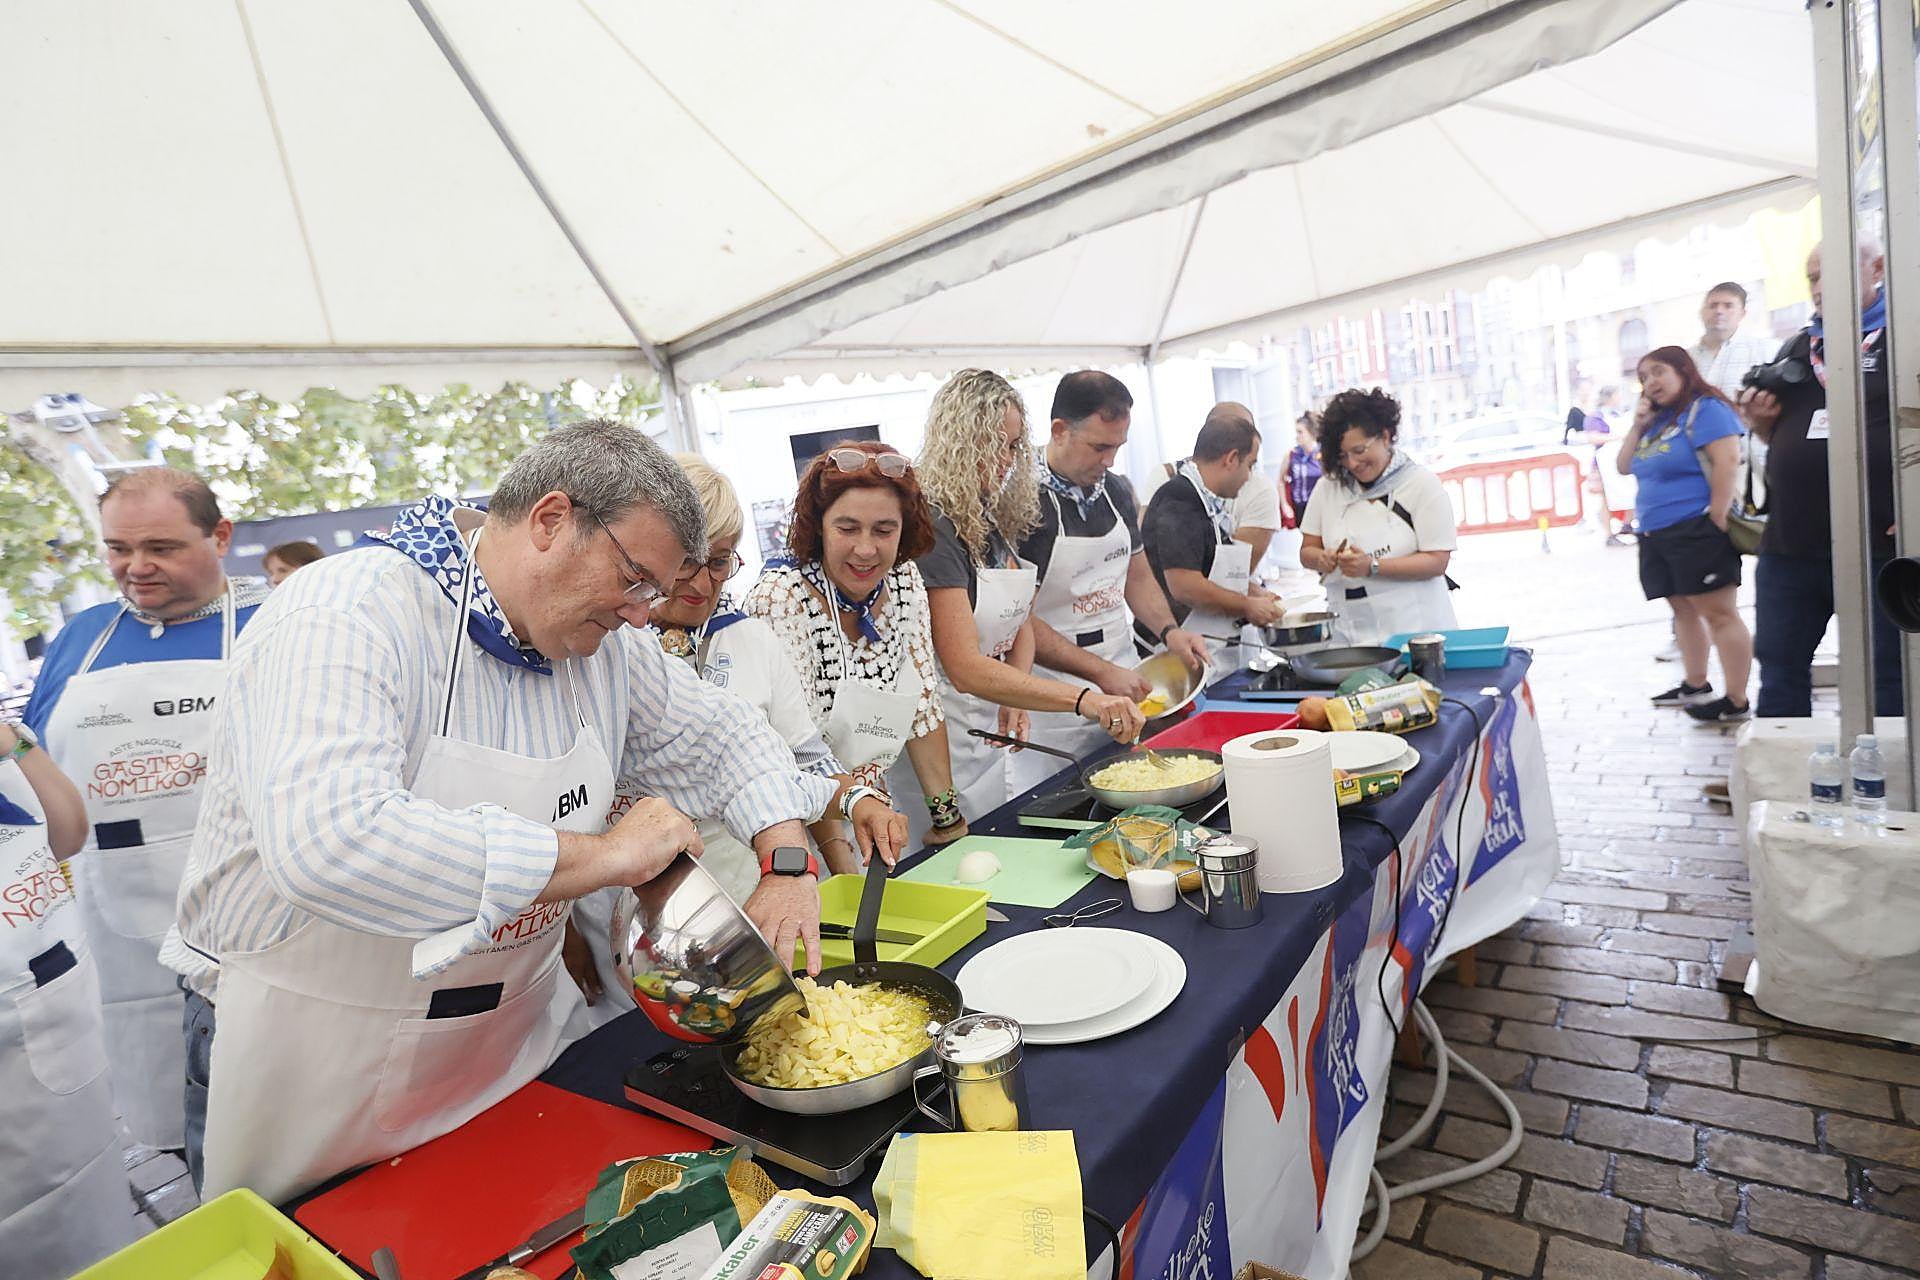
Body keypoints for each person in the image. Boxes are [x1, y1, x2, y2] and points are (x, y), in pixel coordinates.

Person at [166, 420, 839, 1203]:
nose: (641, 615)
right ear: (551, 520)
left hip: (505, 1044)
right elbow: (332, 843)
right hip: (306, 1057)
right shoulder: (345, 611)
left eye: (653, 592)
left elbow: (725, 733)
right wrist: (604, 857)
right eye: (634, 579)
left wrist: (786, 860)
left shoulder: (607, 652)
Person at [568, 454, 907, 1029]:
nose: (702, 583)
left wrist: (850, 799)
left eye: (721, 562)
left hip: (755, 888)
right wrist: (563, 932)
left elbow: (795, 759)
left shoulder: (751, 641)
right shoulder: (597, 644)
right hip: (633, 911)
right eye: (688, 563)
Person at [21, 467, 269, 1156]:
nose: (136, 568)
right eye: (117, 549)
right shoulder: (80, 638)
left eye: (160, 546)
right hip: (118, 933)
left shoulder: (277, 623)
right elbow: (44, 780)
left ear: (220, 536)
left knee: (264, 1118)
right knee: (165, 1112)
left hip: (248, 919)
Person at [905, 370, 1145, 834]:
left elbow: (1020, 618)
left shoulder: (985, 518)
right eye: (997, 445)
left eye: (1015, 446)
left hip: (993, 725)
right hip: (950, 732)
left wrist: (1014, 682)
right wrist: (1086, 698)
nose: (1007, 460)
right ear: (961, 441)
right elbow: (964, 667)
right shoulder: (933, 527)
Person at [745, 442, 971, 848]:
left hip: (873, 815)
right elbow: (797, 750)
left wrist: (948, 819)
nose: (866, 549)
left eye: (884, 530)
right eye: (847, 528)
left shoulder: (904, 581)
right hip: (797, 829)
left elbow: (921, 706)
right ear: (818, 526)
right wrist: (842, 861)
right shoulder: (781, 599)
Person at [1009, 373, 1210, 794]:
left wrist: (1169, 632)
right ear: (1060, 431)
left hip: (1123, 671)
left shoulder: (1115, 490)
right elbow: (1017, 622)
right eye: (1100, 446)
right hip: (1055, 699)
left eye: (1118, 447)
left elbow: (1135, 575)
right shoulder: (1022, 501)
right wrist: (1101, 674)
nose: (1110, 460)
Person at [1739, 238, 1900, 717]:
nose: (1817, 287)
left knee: (1887, 673)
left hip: (1879, 545)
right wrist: (1761, 424)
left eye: (1827, 272)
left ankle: (1889, 783)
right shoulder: (1801, 346)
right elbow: (1782, 438)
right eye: (1811, 277)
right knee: (1779, 666)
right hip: (1791, 544)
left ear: (1878, 268)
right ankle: (1783, 780)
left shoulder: (1905, 334)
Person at [0, 720, 138, 1277]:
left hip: (53, 1030)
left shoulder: (10, 744)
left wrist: (15, 743)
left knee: (95, 1224)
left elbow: (68, 833)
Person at [1618, 346, 1752, 722]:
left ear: (1683, 370)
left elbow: (1727, 460)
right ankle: (1695, 683)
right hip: (1657, 531)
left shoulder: (1705, 409)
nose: (1651, 382)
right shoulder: (1658, 421)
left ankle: (1737, 699)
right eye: (1644, 377)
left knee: (1719, 613)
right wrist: (1638, 423)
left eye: (1658, 372)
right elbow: (1624, 465)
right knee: (1682, 609)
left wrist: (1718, 516)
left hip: (1695, 527)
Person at [1298, 389, 1458, 645]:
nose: (1352, 463)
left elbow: (1437, 561)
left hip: (1418, 633)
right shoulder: (1328, 488)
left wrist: (1372, 567)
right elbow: (1307, 550)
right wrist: (1322, 558)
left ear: (1385, 436)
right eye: (1343, 455)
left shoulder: (1421, 484)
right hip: (1350, 634)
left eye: (1359, 450)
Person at [1141, 405, 1287, 668]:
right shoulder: (1179, 499)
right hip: (1181, 652)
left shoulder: (1206, 501)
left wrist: (1254, 592)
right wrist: (1246, 605)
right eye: (1250, 465)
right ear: (1231, 459)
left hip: (1213, 647)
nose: (1249, 476)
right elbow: (1185, 585)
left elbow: (1210, 568)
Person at [1689, 281, 1777, 399]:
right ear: (1701, 312)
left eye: (1728, 306)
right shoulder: (1687, 358)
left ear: (1742, 313)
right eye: (1713, 305)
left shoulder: (1764, 351)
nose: (1719, 311)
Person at [1279, 411, 1323, 532]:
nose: (1297, 436)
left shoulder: (1321, 455)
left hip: (1318, 506)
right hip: (1299, 507)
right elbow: (1281, 480)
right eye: (1296, 432)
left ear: (1311, 433)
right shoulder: (1291, 454)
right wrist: (1285, 505)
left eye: (1300, 432)